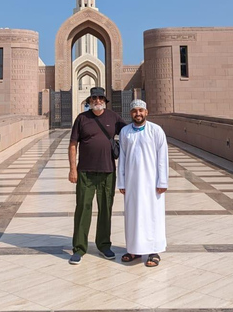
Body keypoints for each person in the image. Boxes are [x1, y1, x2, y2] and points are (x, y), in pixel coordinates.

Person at [68, 86, 128, 265]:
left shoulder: (113, 118)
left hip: (107, 171)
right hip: (85, 171)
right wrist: (72, 169)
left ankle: (103, 245)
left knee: (105, 209)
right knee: (83, 208)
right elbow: (73, 145)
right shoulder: (82, 119)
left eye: (100, 98)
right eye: (94, 98)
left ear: (105, 100)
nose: (97, 101)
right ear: (89, 101)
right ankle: (79, 248)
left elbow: (129, 135)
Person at [117, 99, 168, 267]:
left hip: (152, 183)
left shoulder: (156, 130)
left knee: (152, 216)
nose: (137, 114)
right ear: (130, 113)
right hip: (132, 183)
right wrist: (122, 182)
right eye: (134, 111)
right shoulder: (125, 132)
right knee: (134, 216)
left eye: (140, 110)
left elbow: (162, 157)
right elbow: (122, 158)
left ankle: (154, 251)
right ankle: (134, 250)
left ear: (146, 112)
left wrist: (162, 181)